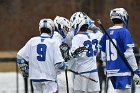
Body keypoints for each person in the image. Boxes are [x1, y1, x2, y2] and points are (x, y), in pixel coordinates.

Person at [16, 18, 66, 93]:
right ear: (51, 29)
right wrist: (65, 66)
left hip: (35, 79)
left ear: (40, 29)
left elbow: (20, 57)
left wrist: (26, 71)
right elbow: (59, 65)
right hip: (49, 79)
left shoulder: (32, 41)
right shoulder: (54, 42)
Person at [99, 8, 140, 93]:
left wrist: (106, 67)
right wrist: (135, 70)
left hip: (111, 70)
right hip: (122, 71)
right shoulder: (124, 32)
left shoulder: (107, 32)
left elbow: (103, 55)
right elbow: (129, 54)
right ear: (123, 17)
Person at [70, 17, 100, 93]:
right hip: (93, 70)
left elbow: (73, 53)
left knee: (78, 91)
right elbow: (101, 35)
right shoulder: (94, 35)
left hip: (82, 70)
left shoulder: (77, 37)